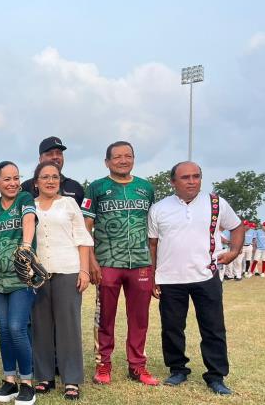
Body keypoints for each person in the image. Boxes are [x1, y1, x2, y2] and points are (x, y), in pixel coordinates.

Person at [148, 161, 244, 395]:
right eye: (185, 177)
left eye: (196, 176)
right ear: (173, 182)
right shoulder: (159, 208)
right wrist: (153, 276)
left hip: (206, 274)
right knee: (172, 328)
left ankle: (216, 375)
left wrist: (234, 252)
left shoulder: (216, 203)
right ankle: (178, 369)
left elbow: (237, 227)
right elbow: (153, 244)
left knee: (213, 328)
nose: (192, 181)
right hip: (170, 278)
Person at [81, 141, 159, 385]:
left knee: (139, 318)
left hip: (140, 262)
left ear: (134, 159)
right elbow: (86, 227)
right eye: (117, 157)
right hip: (107, 262)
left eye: (128, 156)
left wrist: (154, 266)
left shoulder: (146, 188)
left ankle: (137, 366)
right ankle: (103, 365)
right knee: (105, 316)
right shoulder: (96, 188)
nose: (123, 160)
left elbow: (154, 229)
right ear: (107, 162)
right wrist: (91, 260)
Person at [31, 161, 93, 401]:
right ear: (36, 182)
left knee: (69, 327)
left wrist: (84, 271)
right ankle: (44, 377)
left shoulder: (69, 204)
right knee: (40, 325)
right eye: (45, 177)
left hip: (68, 270)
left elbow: (83, 238)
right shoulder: (29, 206)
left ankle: (71, 379)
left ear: (60, 180)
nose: (50, 181)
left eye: (54, 177)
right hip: (39, 273)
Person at [0, 161, 37, 404]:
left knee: (17, 327)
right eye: (7, 179)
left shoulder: (25, 198)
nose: (13, 183)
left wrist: (26, 246)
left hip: (21, 277)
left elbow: (28, 220)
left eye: (16, 177)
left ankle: (27, 382)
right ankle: (9, 381)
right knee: (5, 331)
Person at [21, 136, 84, 206]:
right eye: (50, 154)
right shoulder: (26, 188)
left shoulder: (75, 187)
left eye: (59, 153)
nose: (55, 157)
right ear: (40, 159)